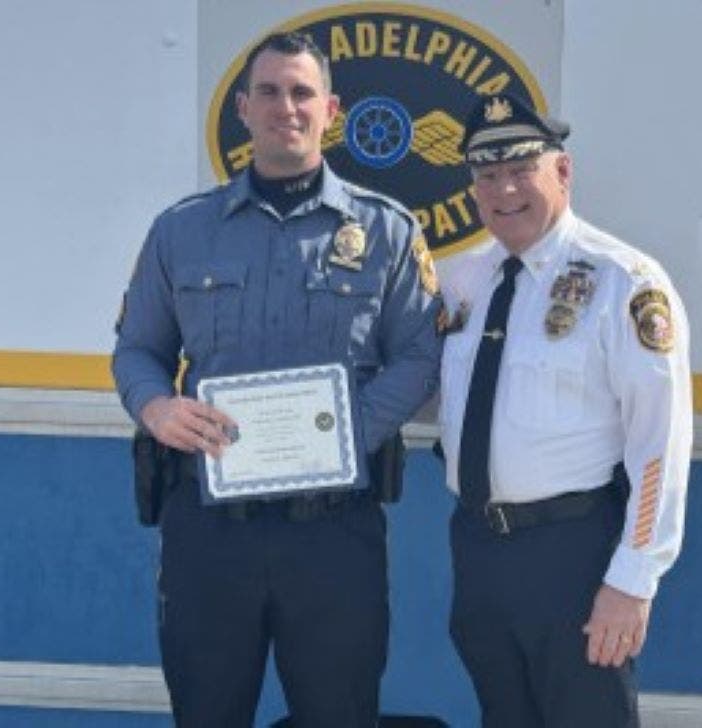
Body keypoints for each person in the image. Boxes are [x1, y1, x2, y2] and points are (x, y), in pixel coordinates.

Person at [112, 32, 442, 728]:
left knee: (339, 715)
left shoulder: (385, 231)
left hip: (331, 535)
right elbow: (138, 350)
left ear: (331, 109)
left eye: (300, 92)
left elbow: (418, 354)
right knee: (205, 713)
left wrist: (347, 432)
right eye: (268, 91)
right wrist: (156, 408)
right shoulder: (181, 231)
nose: (284, 107)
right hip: (208, 532)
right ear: (243, 107)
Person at [437, 93, 692, 727]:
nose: (505, 190)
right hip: (479, 550)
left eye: (522, 169)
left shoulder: (623, 281)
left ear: (563, 171)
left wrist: (632, 581)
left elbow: (659, 441)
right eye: (487, 175)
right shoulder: (466, 282)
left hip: (574, 555)